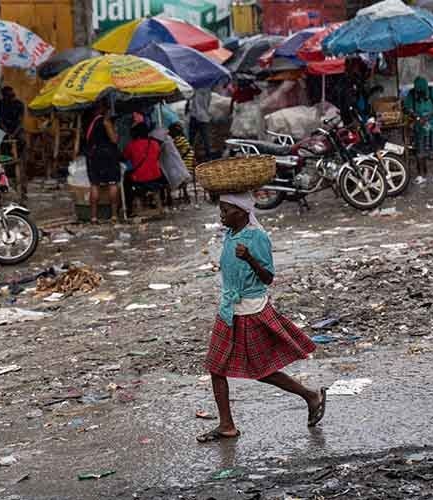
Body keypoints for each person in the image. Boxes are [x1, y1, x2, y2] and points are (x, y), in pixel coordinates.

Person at [197, 193, 326, 443]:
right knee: (216, 367)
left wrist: (249, 258)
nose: (221, 215)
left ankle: (311, 396)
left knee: (261, 370)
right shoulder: (230, 234)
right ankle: (226, 426)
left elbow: (268, 278)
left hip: (250, 310)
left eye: (226, 210)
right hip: (228, 310)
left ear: (242, 212)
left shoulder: (258, 237)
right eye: (221, 210)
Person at [85, 99, 121, 223]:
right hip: (108, 156)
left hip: (93, 156)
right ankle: (114, 215)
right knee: (112, 183)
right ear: (103, 109)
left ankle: (93, 217)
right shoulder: (105, 121)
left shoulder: (90, 122)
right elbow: (114, 140)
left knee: (94, 185)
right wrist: (116, 134)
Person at [404, 77, 433, 185]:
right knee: (420, 151)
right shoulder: (411, 94)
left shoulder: (432, 91)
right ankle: (421, 174)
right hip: (419, 126)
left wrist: (429, 116)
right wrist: (416, 116)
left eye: (422, 92)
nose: (421, 95)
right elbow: (407, 108)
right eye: (419, 92)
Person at [122, 121, 166, 216]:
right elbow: (157, 156)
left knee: (127, 181)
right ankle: (159, 207)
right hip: (156, 177)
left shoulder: (131, 145)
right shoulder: (155, 143)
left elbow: (124, 157)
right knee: (156, 188)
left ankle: (132, 208)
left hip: (139, 178)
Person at [169, 122, 195, 202]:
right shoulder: (183, 139)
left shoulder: (178, 140)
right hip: (189, 162)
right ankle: (184, 193)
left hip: (185, 163)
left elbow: (172, 149)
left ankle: (184, 193)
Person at [188, 87, 212, 161]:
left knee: (192, 138)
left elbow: (189, 99)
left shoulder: (195, 90)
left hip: (195, 116)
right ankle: (208, 155)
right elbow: (208, 104)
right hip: (203, 117)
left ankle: (188, 154)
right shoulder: (208, 91)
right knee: (205, 138)